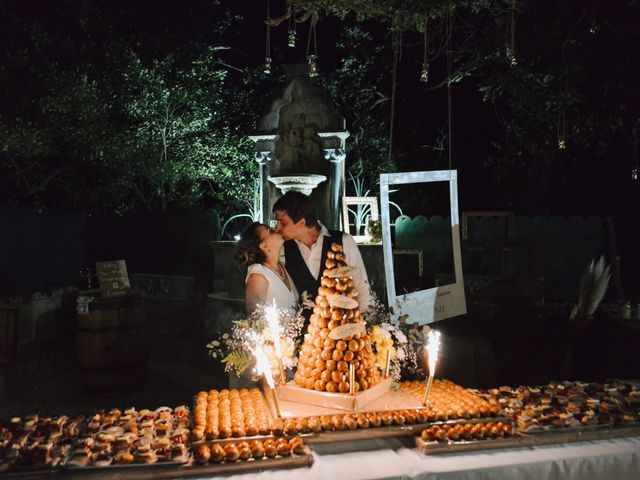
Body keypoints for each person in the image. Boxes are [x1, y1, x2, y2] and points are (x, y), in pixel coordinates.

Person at [272, 191, 373, 311]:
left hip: (341, 324)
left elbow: (363, 288)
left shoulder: (343, 241)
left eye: (283, 223)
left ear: (302, 222)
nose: (277, 228)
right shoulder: (283, 249)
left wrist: (365, 323)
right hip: (303, 326)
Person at [236, 222, 298, 315]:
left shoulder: (282, 266)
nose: (276, 229)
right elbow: (255, 318)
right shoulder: (258, 275)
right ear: (264, 246)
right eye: (271, 231)